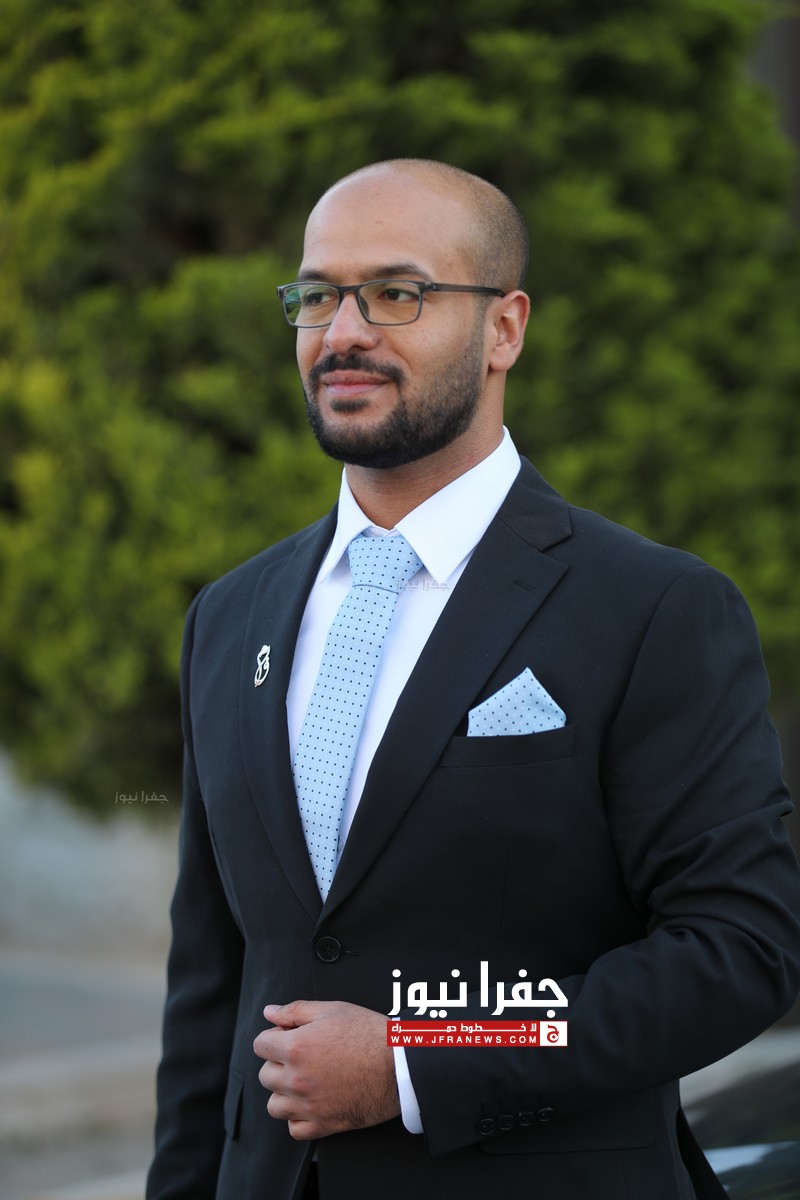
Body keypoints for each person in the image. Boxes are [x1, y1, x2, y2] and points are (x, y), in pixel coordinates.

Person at [146, 159, 800, 1200]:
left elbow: (738, 952)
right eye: (316, 296)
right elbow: (211, 990)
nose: (342, 332)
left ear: (504, 329)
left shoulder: (654, 608)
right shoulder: (229, 618)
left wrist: (418, 1060)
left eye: (395, 293)